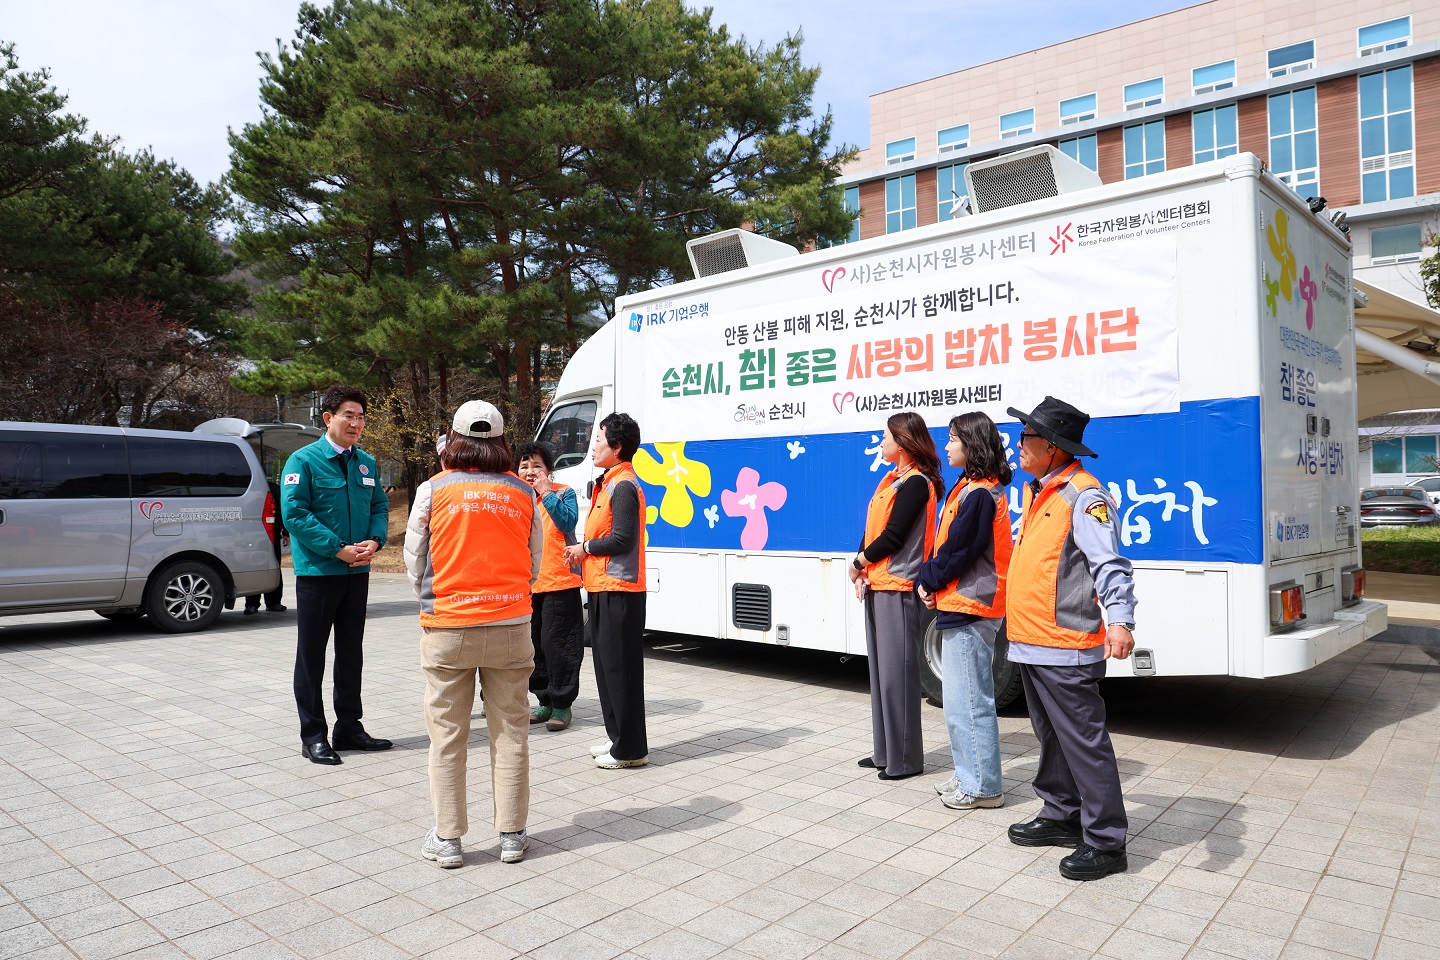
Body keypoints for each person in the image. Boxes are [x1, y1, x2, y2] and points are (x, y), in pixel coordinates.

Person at [404, 400, 543, 867]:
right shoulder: (524, 493)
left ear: (455, 438)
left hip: (448, 626)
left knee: (447, 735)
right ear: (502, 441)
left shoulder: (432, 490)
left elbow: (413, 560)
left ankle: (448, 839)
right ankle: (512, 834)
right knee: (511, 731)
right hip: (511, 625)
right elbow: (535, 561)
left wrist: (434, 595)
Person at [1004, 396, 1136, 882]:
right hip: (1032, 640)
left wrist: (1120, 620)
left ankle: (1106, 841)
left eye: (1027, 439)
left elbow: (1109, 563)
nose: (1018, 446)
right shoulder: (1041, 490)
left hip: (1066, 644)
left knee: (1084, 742)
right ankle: (1061, 814)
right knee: (1052, 736)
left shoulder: (1083, 496)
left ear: (1055, 448)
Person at [281, 385, 392, 765]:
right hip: (319, 573)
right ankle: (313, 735)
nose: (356, 423)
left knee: (350, 653)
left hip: (357, 573)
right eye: (349, 415)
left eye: (361, 416)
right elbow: (295, 515)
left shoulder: (367, 464)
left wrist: (374, 541)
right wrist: (337, 548)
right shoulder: (303, 461)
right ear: (328, 418)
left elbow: (379, 504)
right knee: (311, 656)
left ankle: (349, 727)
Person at [916, 412, 1013, 811]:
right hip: (963, 604)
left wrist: (927, 579)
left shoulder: (979, 494)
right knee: (960, 701)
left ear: (972, 445)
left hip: (972, 607)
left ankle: (982, 787)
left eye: (954, 438)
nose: (947, 445)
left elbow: (958, 552)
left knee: (969, 701)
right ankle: (967, 774)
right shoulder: (971, 487)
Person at [847, 412, 943, 782]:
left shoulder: (916, 483)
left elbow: (894, 536)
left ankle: (904, 759)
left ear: (903, 442)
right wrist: (862, 570)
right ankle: (884, 751)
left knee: (897, 678)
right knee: (880, 674)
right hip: (880, 583)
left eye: (885, 436)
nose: (881, 442)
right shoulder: (893, 480)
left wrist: (857, 563)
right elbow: (873, 531)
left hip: (899, 587)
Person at [561, 413, 648, 770]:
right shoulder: (609, 482)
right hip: (602, 586)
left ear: (617, 447)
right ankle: (619, 739)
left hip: (619, 589)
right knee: (607, 669)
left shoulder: (623, 485)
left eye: (598, 440)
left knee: (620, 671)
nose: (592, 445)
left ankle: (630, 750)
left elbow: (623, 537)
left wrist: (585, 549)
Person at [515, 441, 585, 732]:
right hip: (525, 585)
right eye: (524, 466)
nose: (530, 472)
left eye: (537, 466)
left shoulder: (563, 492)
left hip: (560, 582)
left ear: (548, 470)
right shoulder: (514, 497)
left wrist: (545, 493)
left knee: (561, 646)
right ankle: (543, 700)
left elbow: (568, 521)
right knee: (533, 648)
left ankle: (562, 704)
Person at [246, 478, 288, 614]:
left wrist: (285, 532)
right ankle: (251, 604)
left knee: (274, 567)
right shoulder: (250, 490)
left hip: (272, 535)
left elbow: (283, 511)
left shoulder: (273, 489)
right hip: (252, 536)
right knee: (254, 568)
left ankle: (274, 602)